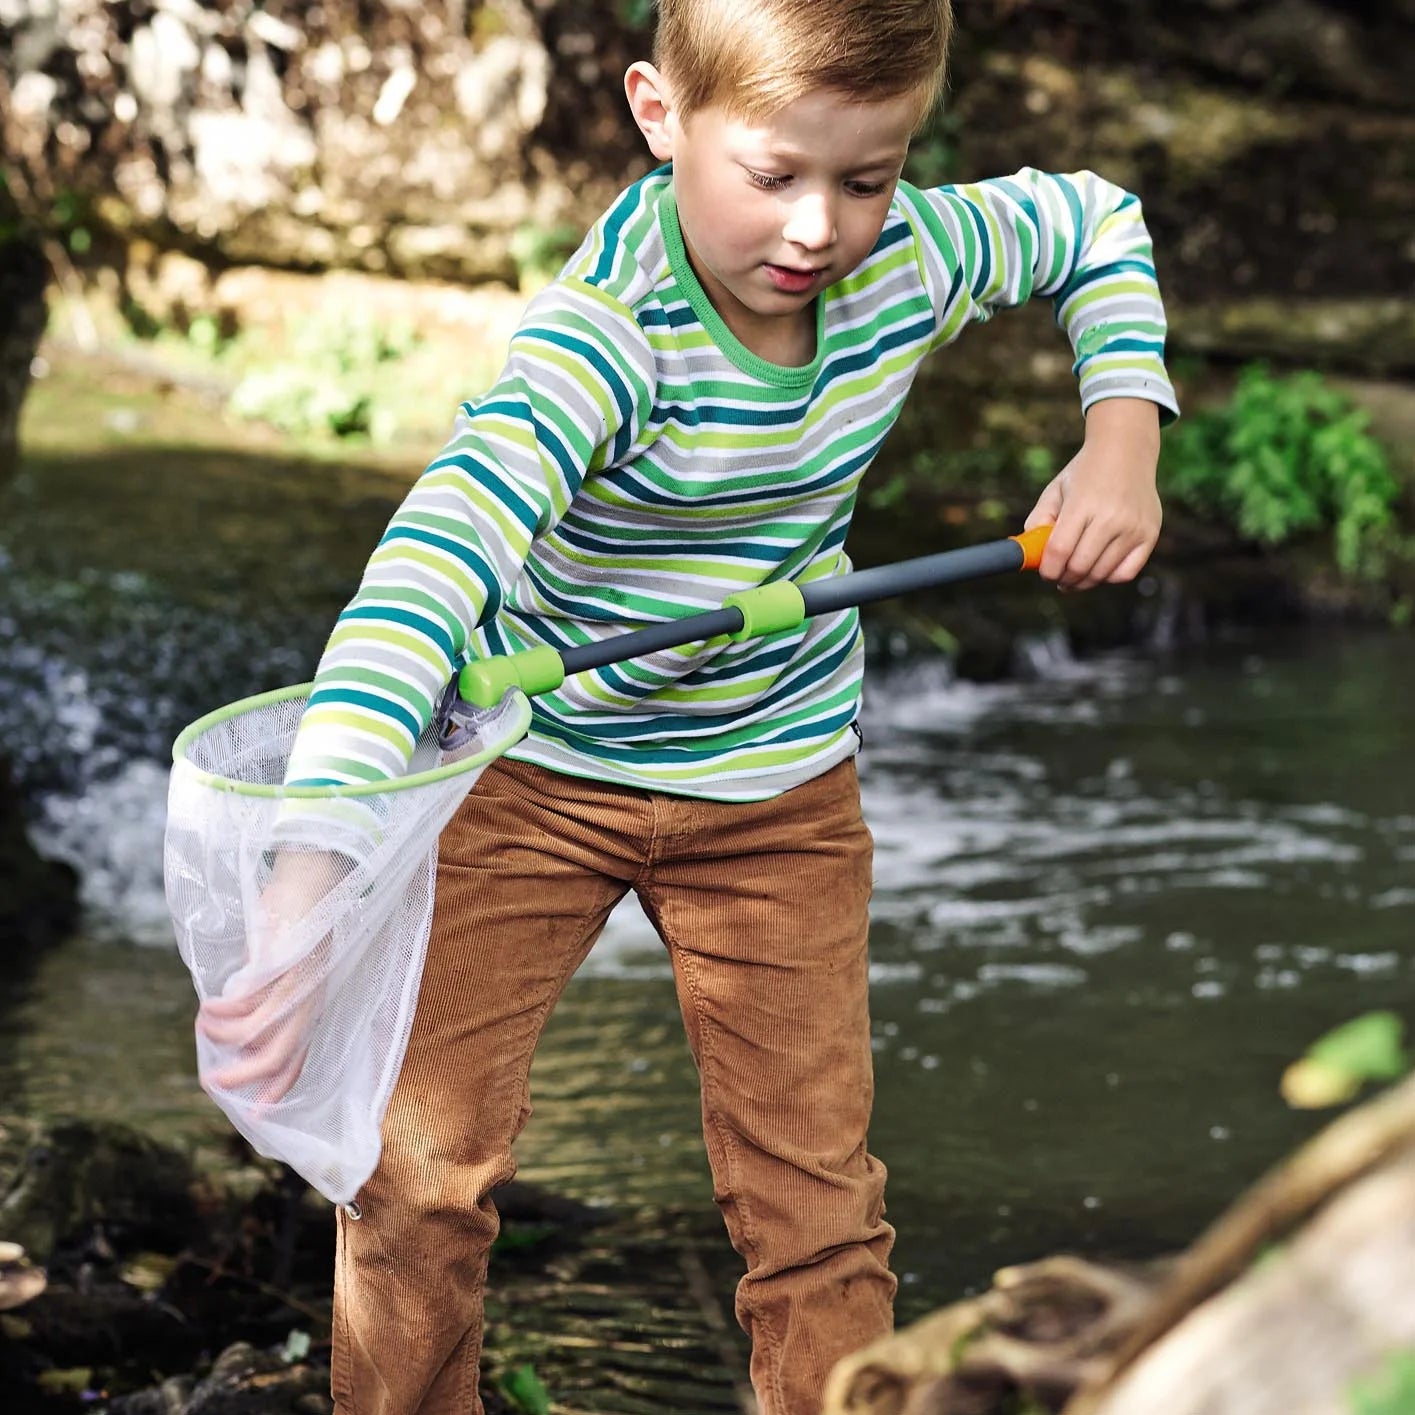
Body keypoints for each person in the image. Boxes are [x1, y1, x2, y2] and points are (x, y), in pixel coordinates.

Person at [204, 1, 1179, 1410]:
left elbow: (1095, 221)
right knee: (415, 1179)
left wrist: (1119, 433)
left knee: (815, 1211)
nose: (819, 231)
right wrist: (311, 880)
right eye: (774, 176)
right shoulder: (604, 348)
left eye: (869, 177)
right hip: (530, 778)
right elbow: (422, 583)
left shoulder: (914, 255)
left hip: (776, 787)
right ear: (661, 117)